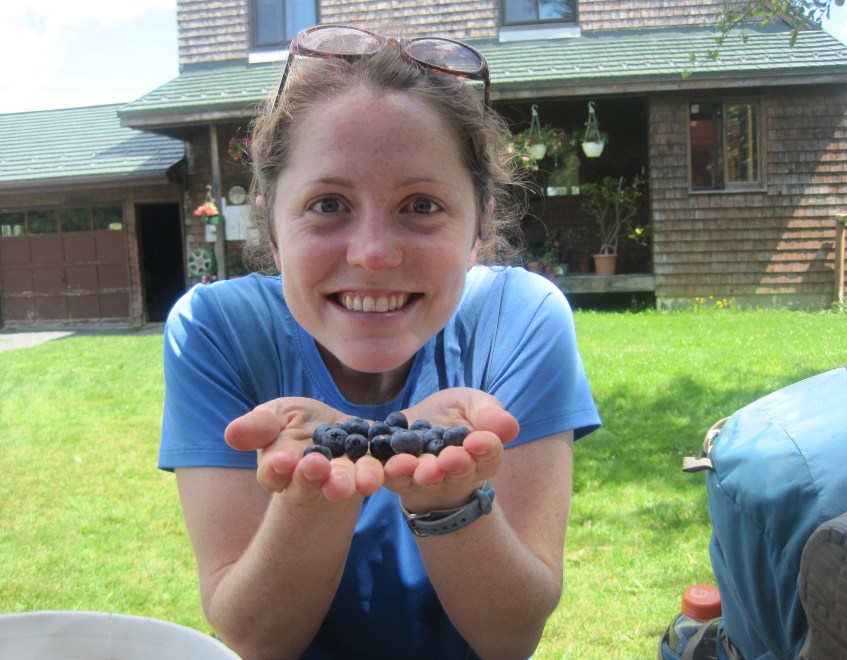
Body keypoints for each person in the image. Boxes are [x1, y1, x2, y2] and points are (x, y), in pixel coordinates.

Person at [159, 24, 601, 660]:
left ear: (476, 229)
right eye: (328, 203)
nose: (371, 254)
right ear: (275, 232)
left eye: (421, 206)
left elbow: (509, 637)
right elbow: (257, 638)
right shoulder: (216, 330)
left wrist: (447, 497)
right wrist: (317, 492)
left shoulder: (519, 317)